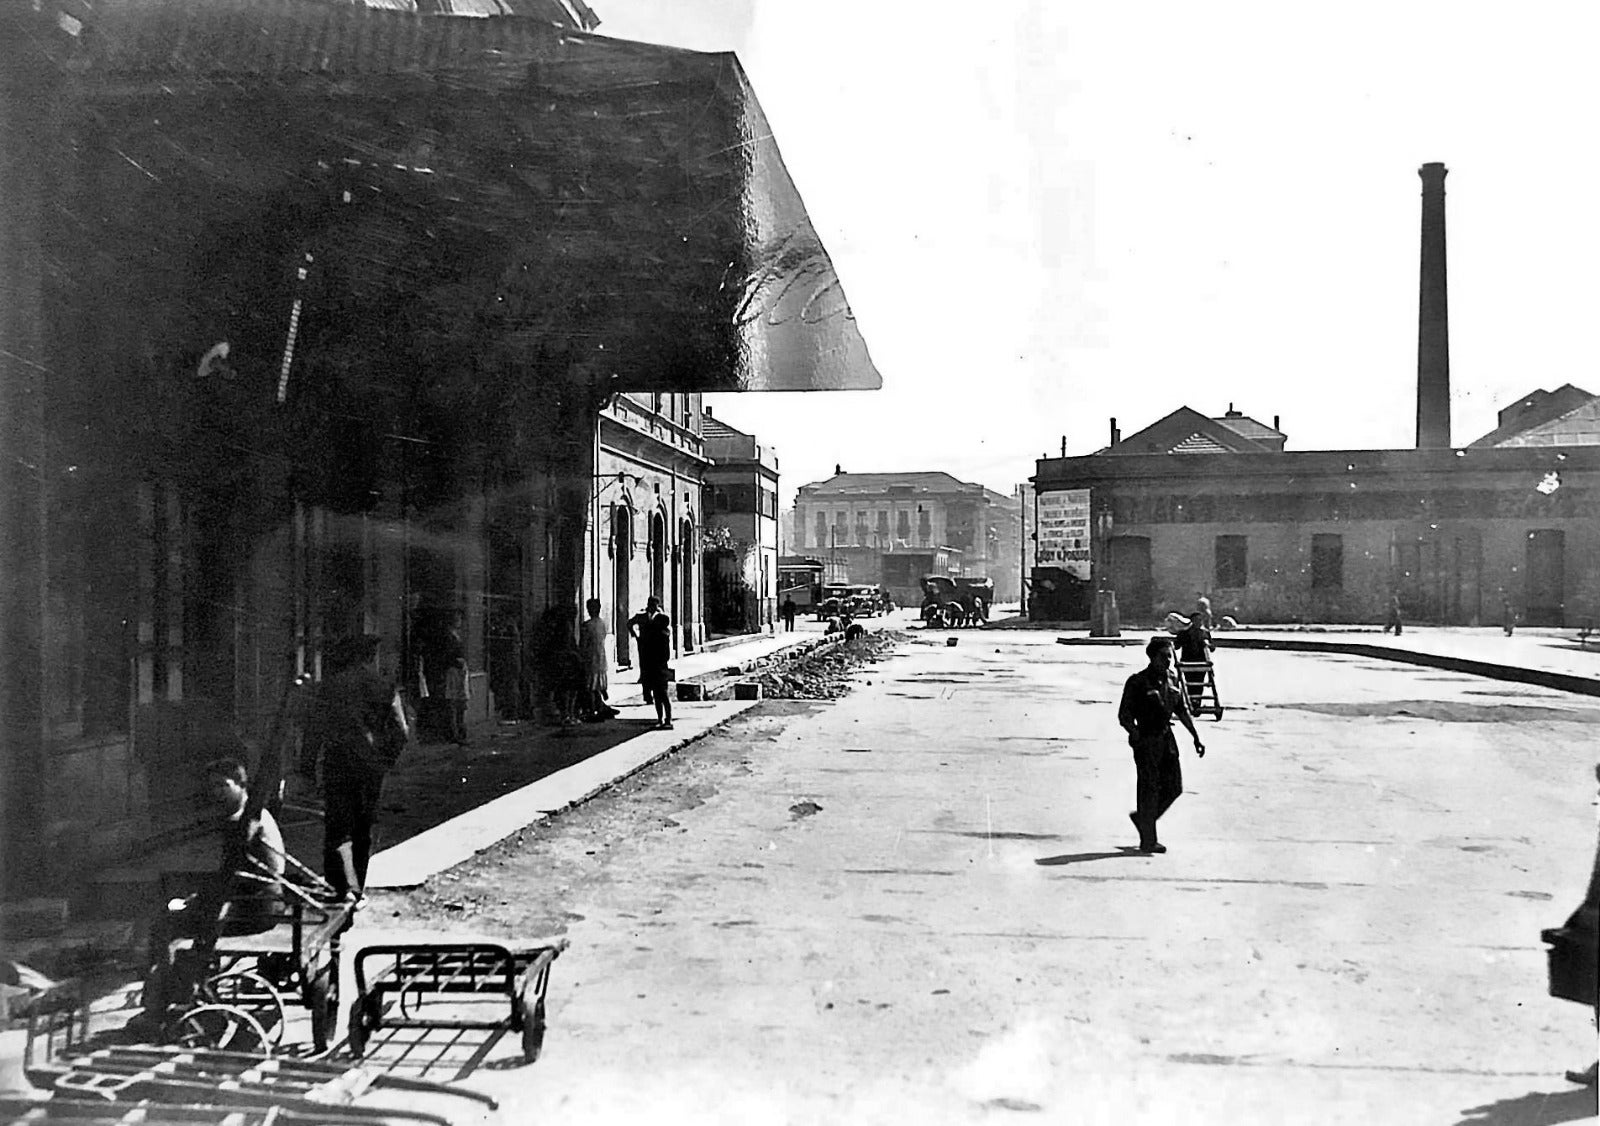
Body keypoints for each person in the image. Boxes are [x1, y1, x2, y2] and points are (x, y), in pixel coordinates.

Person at [130, 757, 286, 1033]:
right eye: (211, 786)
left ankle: (164, 1002)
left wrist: (198, 901)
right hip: (258, 902)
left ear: (240, 784)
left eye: (222, 785)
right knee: (180, 921)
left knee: (165, 927)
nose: (215, 791)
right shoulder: (250, 813)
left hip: (255, 907)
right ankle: (175, 991)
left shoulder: (245, 823)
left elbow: (234, 880)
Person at [308, 634, 409, 904]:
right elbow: (401, 732)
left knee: (337, 827)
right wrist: (385, 760)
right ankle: (356, 889)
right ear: (370, 657)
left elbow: (314, 730)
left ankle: (337, 889)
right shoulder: (384, 686)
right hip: (369, 768)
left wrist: (307, 767)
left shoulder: (329, 687)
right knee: (362, 828)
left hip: (337, 763)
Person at [1118, 636, 1205, 854]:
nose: (1168, 661)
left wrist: (1195, 736)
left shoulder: (1173, 679)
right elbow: (1124, 715)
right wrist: (1135, 733)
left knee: (1174, 787)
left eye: (1170, 656)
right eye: (1164, 656)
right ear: (1152, 657)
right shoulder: (1138, 682)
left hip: (1166, 738)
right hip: (1146, 738)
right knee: (1148, 789)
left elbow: (1182, 710)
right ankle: (1148, 840)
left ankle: (1144, 819)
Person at [628, 596, 674, 729]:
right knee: (656, 693)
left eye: (654, 605)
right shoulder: (642, 617)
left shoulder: (662, 621)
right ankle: (659, 718)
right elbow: (630, 623)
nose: (652, 607)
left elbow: (666, 650)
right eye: (650, 604)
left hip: (659, 663)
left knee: (663, 693)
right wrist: (636, 637)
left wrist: (663, 662)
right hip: (647, 657)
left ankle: (668, 719)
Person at [580, 598, 617, 721]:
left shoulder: (587, 626)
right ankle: (599, 707)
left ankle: (592, 710)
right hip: (601, 656)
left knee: (590, 685)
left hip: (591, 658)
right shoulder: (602, 623)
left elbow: (584, 644)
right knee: (597, 684)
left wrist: (581, 656)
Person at [1175, 619, 1214, 714]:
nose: (1199, 622)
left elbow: (1212, 648)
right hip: (1188, 662)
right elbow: (1176, 646)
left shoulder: (1205, 633)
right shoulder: (1184, 633)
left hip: (1202, 663)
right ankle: (1192, 703)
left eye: (1200, 620)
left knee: (1199, 683)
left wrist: (1208, 645)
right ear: (1192, 621)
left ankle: (1196, 703)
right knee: (1190, 683)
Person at [441, 628, 471, 744]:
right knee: (456, 707)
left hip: (458, 677)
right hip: (455, 676)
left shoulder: (455, 638)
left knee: (458, 707)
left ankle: (458, 733)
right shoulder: (452, 640)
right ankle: (457, 734)